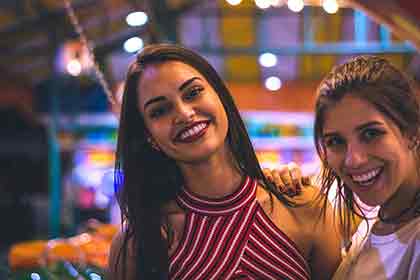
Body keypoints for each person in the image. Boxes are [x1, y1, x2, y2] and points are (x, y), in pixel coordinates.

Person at [107, 44, 341, 280]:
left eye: (192, 93)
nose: (185, 113)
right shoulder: (137, 246)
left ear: (220, 95)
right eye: (160, 111)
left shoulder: (303, 205)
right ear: (150, 137)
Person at [311, 55, 420, 279]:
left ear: (411, 133)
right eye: (336, 142)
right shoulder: (376, 219)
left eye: (371, 134)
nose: (353, 160)